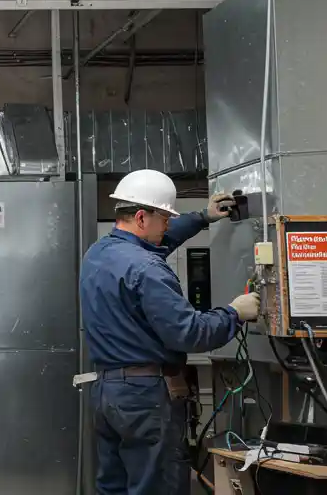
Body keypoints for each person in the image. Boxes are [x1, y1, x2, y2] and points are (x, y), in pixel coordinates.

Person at [80, 169, 261, 495]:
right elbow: (189, 334)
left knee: (115, 487)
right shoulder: (148, 269)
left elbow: (159, 241)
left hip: (107, 393)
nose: (167, 225)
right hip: (145, 396)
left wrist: (202, 217)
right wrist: (235, 313)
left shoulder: (98, 253)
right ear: (140, 217)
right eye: (164, 217)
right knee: (157, 487)